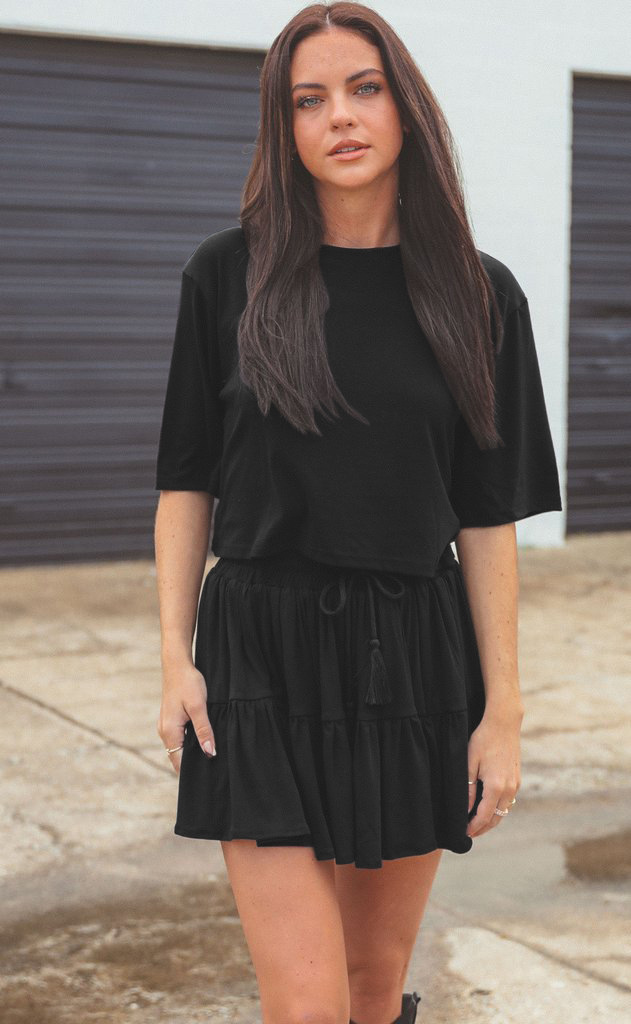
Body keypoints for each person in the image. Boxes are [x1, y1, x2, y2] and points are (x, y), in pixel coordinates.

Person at [153, 3, 562, 1023]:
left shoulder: (479, 296)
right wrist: (173, 657)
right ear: (284, 128)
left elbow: (486, 519)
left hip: (411, 658)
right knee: (306, 1002)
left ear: (405, 109)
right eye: (309, 99)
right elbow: (185, 483)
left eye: (363, 88)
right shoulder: (226, 275)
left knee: (372, 991)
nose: (338, 116)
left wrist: (502, 710)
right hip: (259, 654)